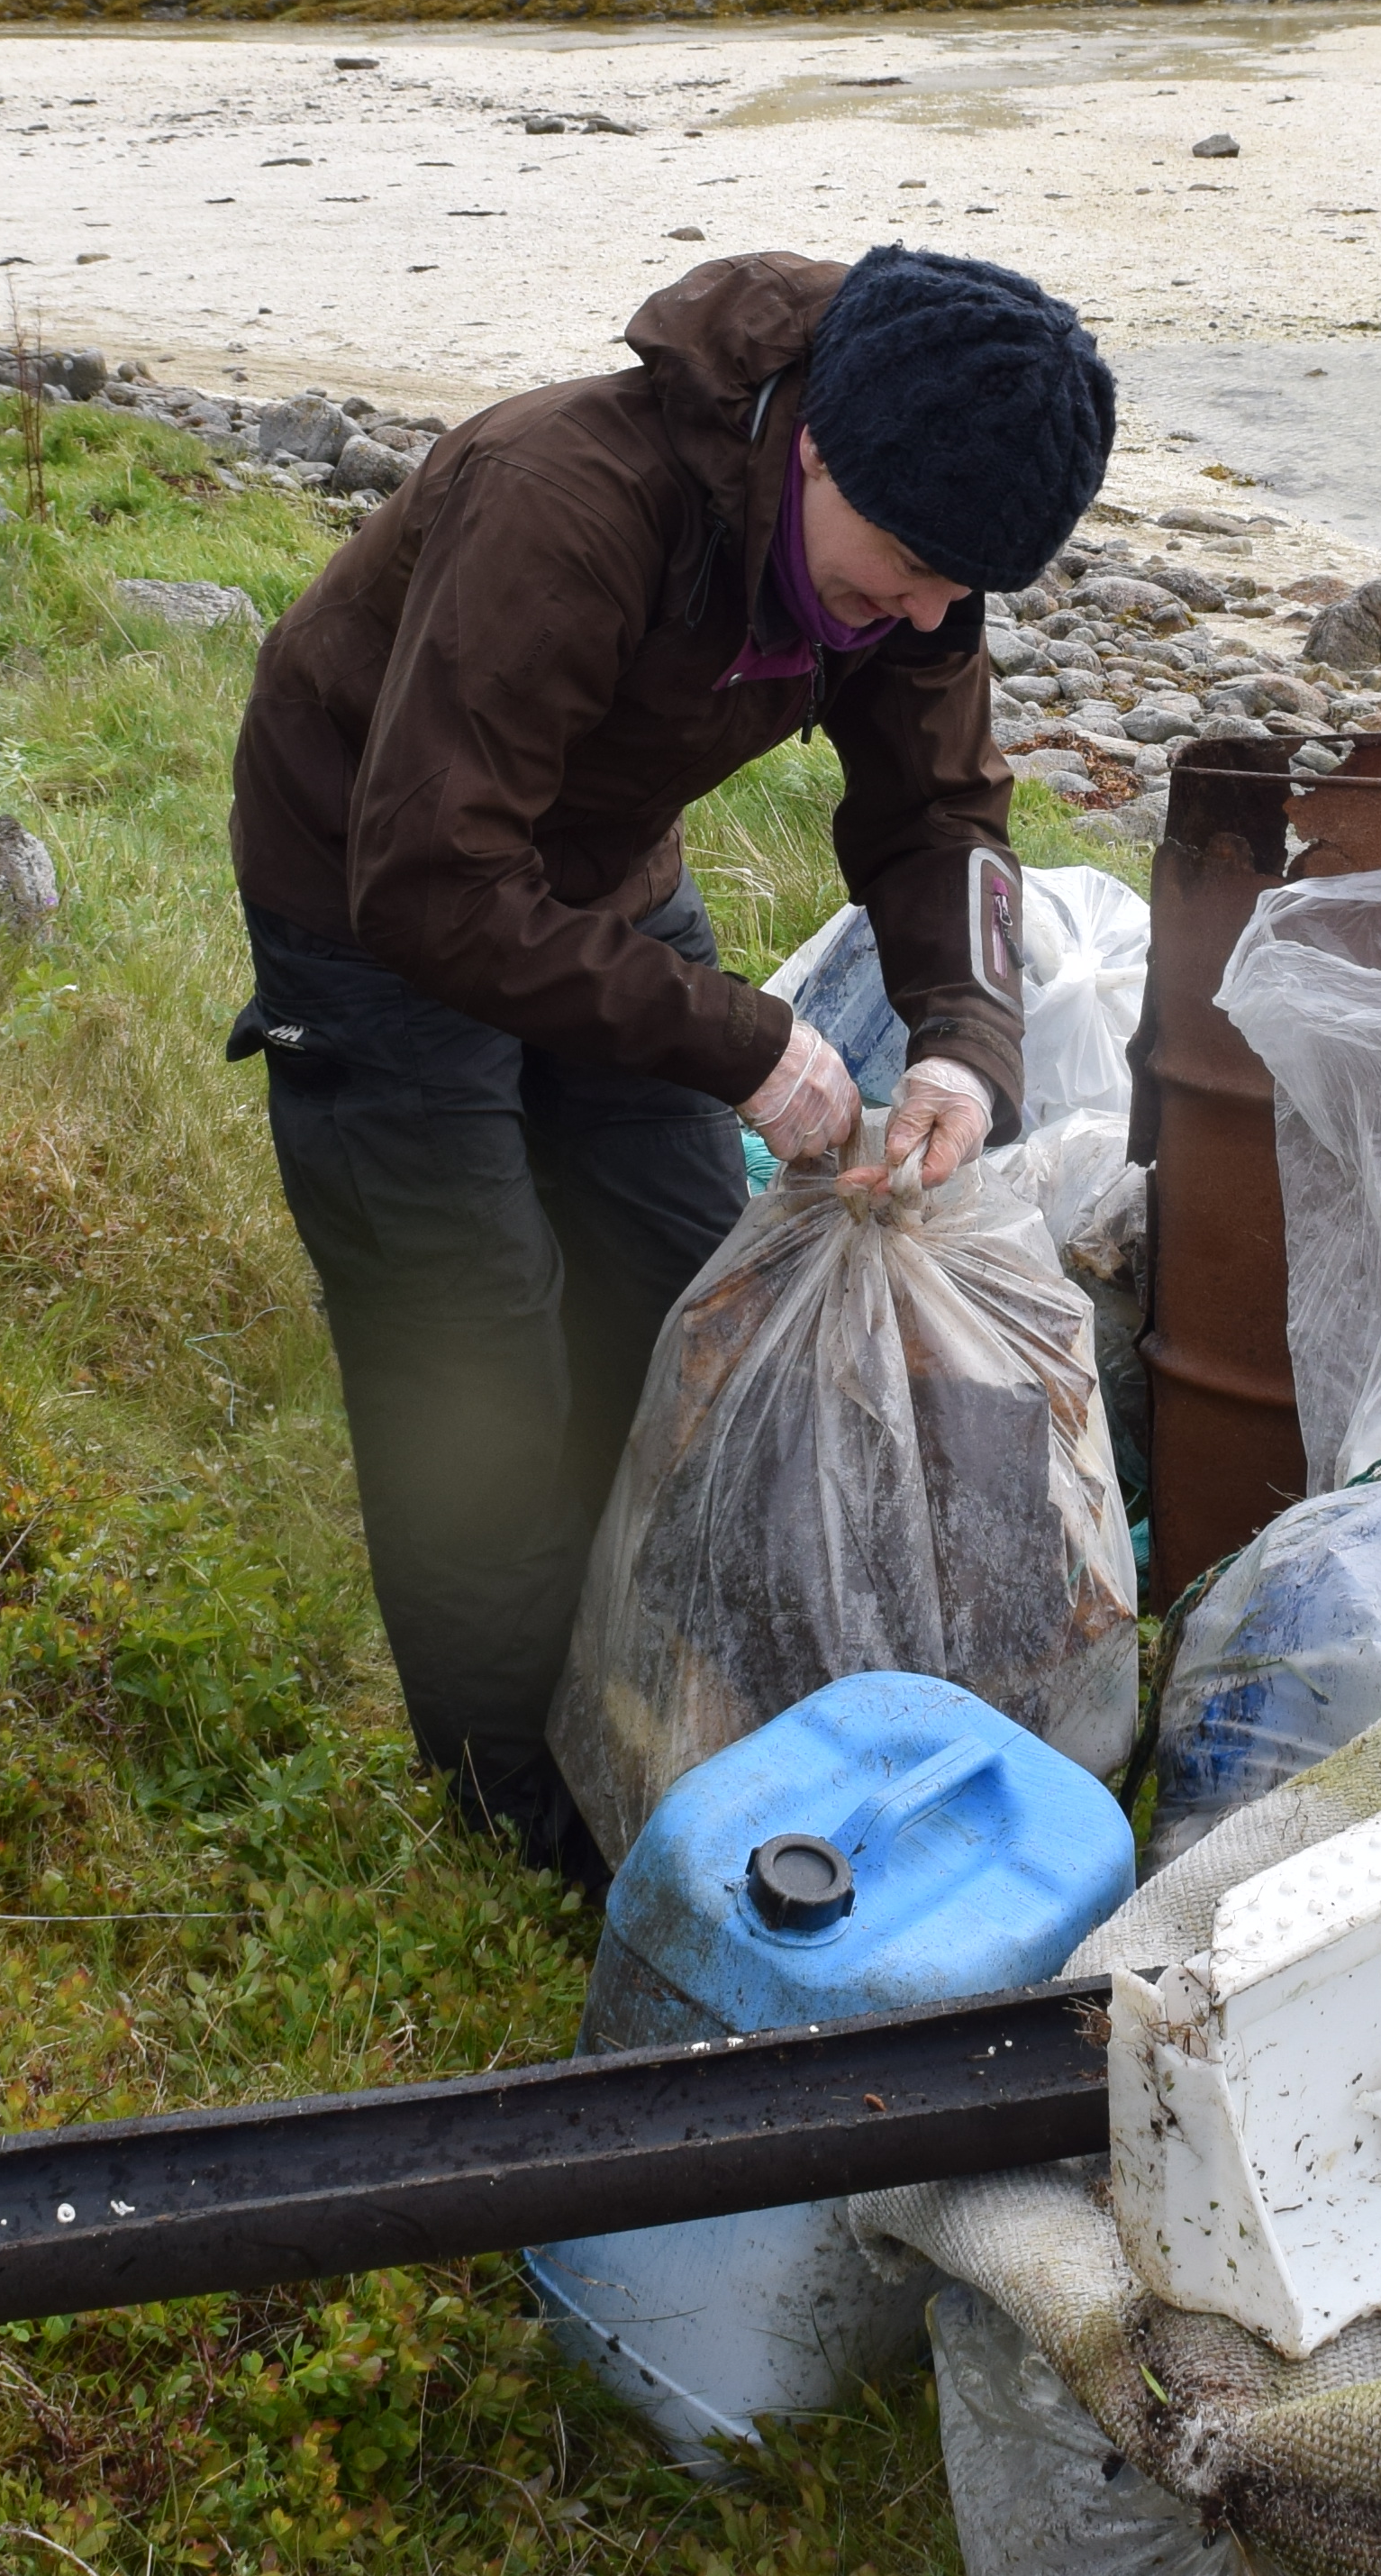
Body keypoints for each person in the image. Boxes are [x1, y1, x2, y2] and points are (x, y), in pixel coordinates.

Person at [226, 247, 1118, 1880]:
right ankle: (523, 1828)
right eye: (907, 569)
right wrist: (744, 1041)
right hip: (371, 892)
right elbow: (432, 881)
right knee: (475, 1363)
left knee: (678, 1316)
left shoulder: (918, 552)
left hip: (608, 875)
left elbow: (943, 811)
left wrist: (965, 1051)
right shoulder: (559, 501)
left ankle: (654, 1714)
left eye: (960, 593)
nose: (923, 616)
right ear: (817, 447)